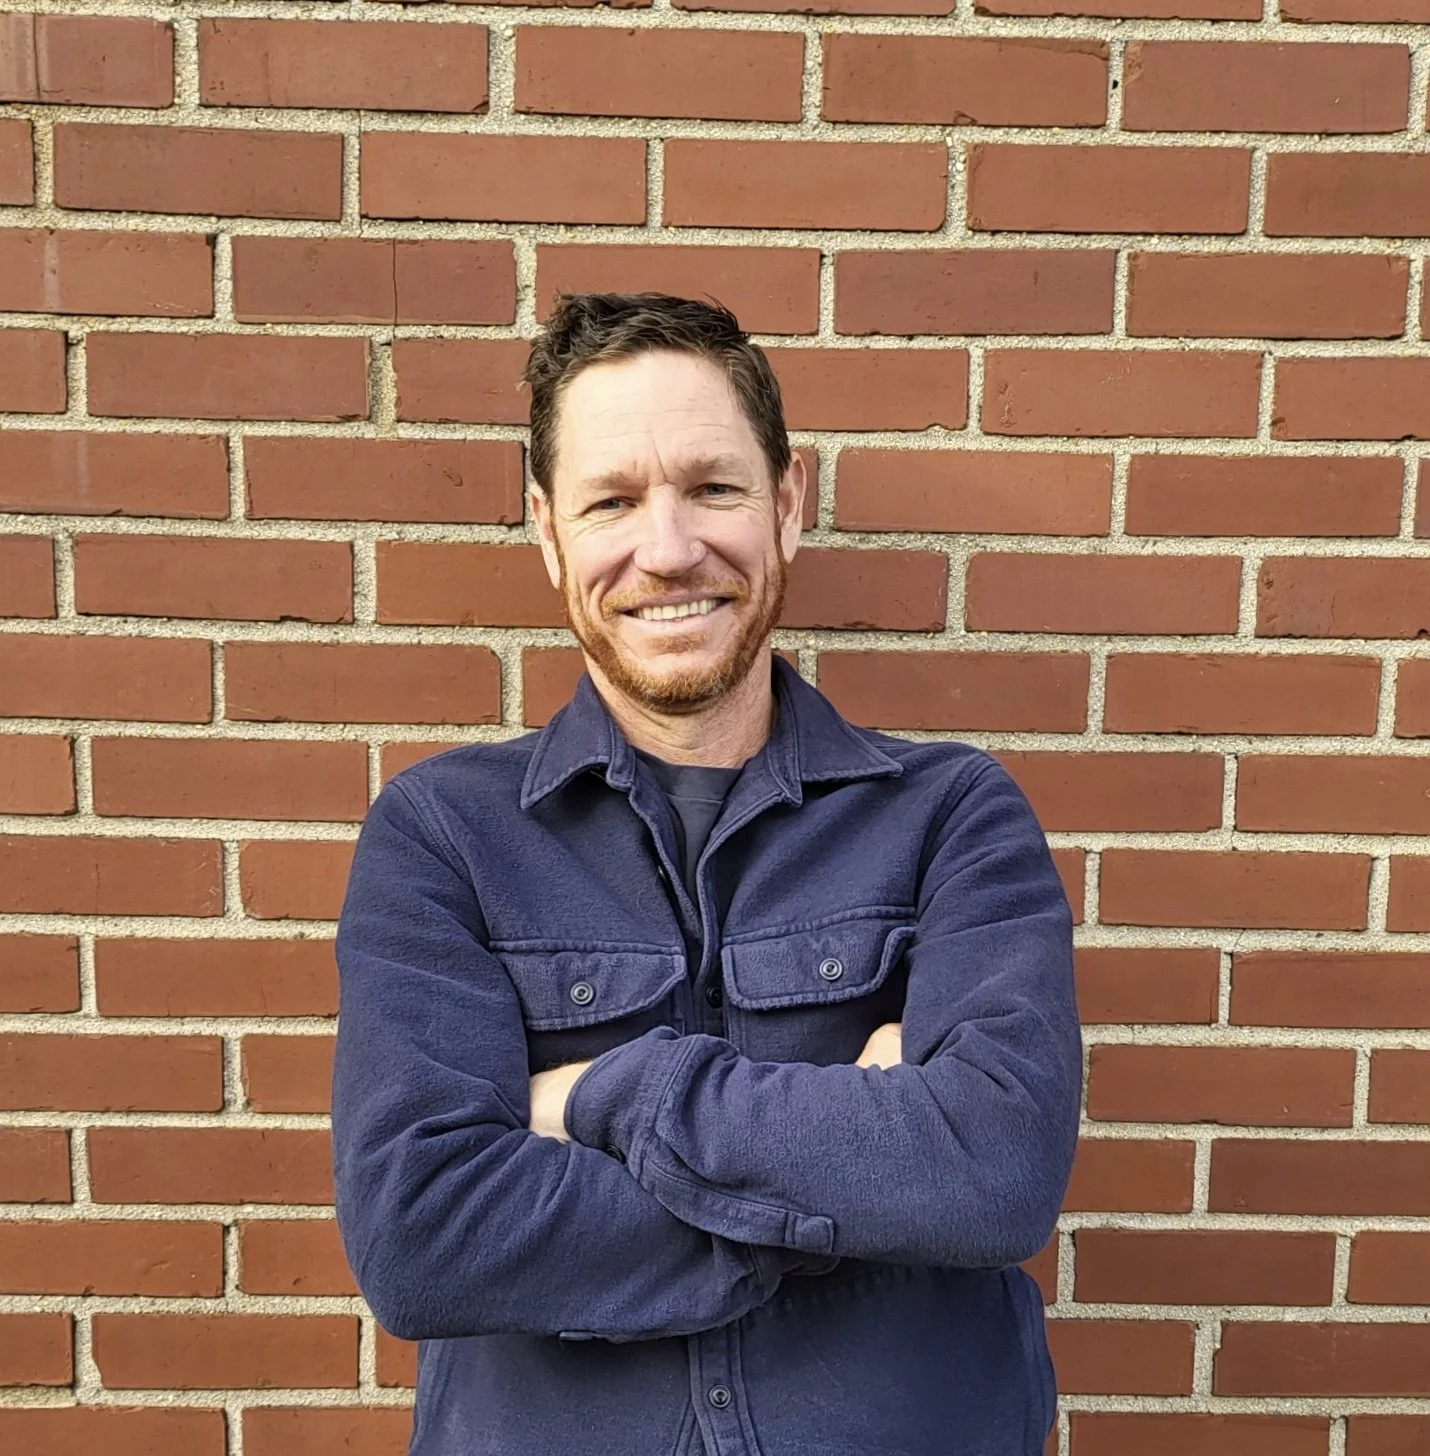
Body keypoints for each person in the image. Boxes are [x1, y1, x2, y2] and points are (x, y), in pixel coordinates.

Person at [331, 293, 1083, 1456]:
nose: (668, 548)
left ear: (786, 502)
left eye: (712, 487)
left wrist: (596, 1098)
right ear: (548, 533)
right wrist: (860, 1167)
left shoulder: (951, 816)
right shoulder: (442, 836)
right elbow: (422, 1240)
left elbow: (992, 1172)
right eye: (611, 501)